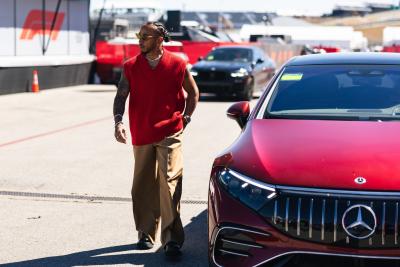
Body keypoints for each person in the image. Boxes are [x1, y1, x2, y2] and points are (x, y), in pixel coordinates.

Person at [112, 22, 199, 259]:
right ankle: (145, 232)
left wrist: (186, 118)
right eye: (139, 36)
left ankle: (171, 240)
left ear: (160, 39)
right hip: (141, 132)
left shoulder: (178, 64)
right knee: (142, 185)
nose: (140, 40)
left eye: (145, 36)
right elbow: (121, 96)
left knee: (170, 182)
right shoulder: (130, 66)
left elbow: (193, 93)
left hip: (170, 132)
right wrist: (118, 122)